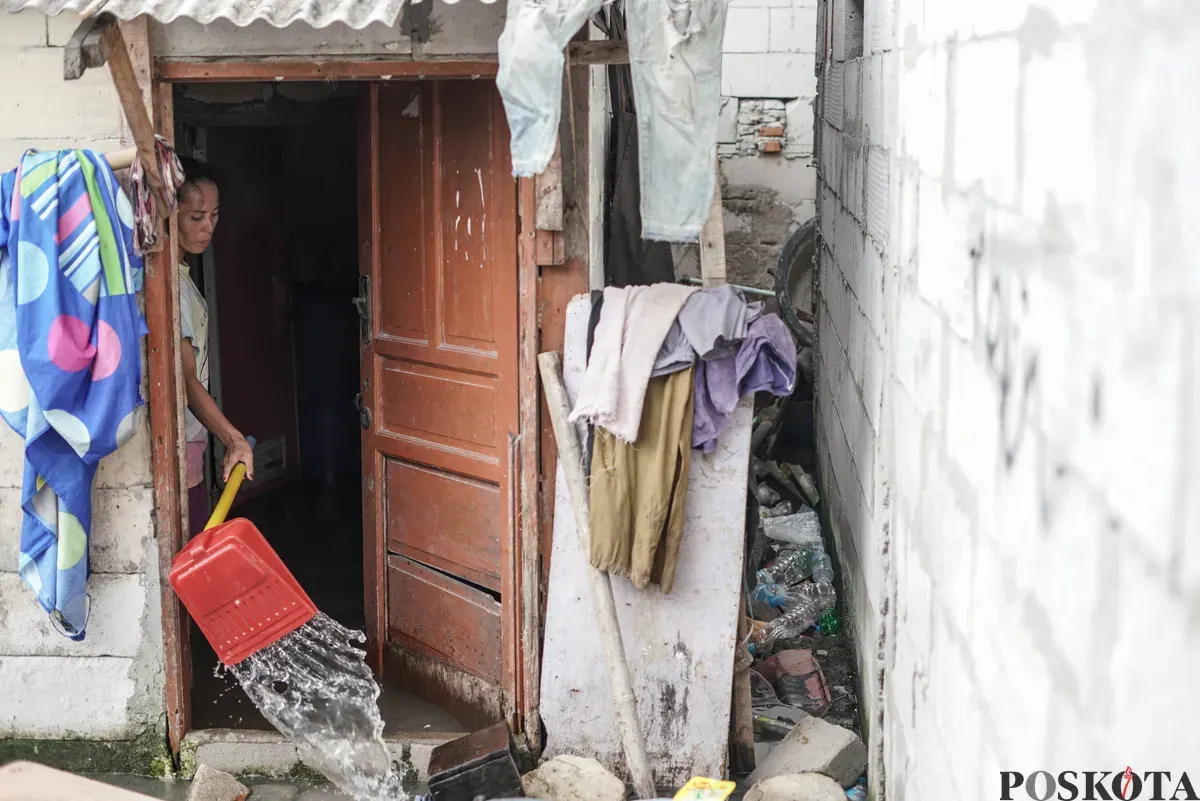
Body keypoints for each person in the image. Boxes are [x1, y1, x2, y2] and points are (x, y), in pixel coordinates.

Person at [176, 157, 255, 535]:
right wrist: (233, 438)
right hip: (181, 449)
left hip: (193, 445)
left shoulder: (182, 277)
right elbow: (185, 380)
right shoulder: (171, 288)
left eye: (215, 215)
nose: (209, 227)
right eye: (196, 217)